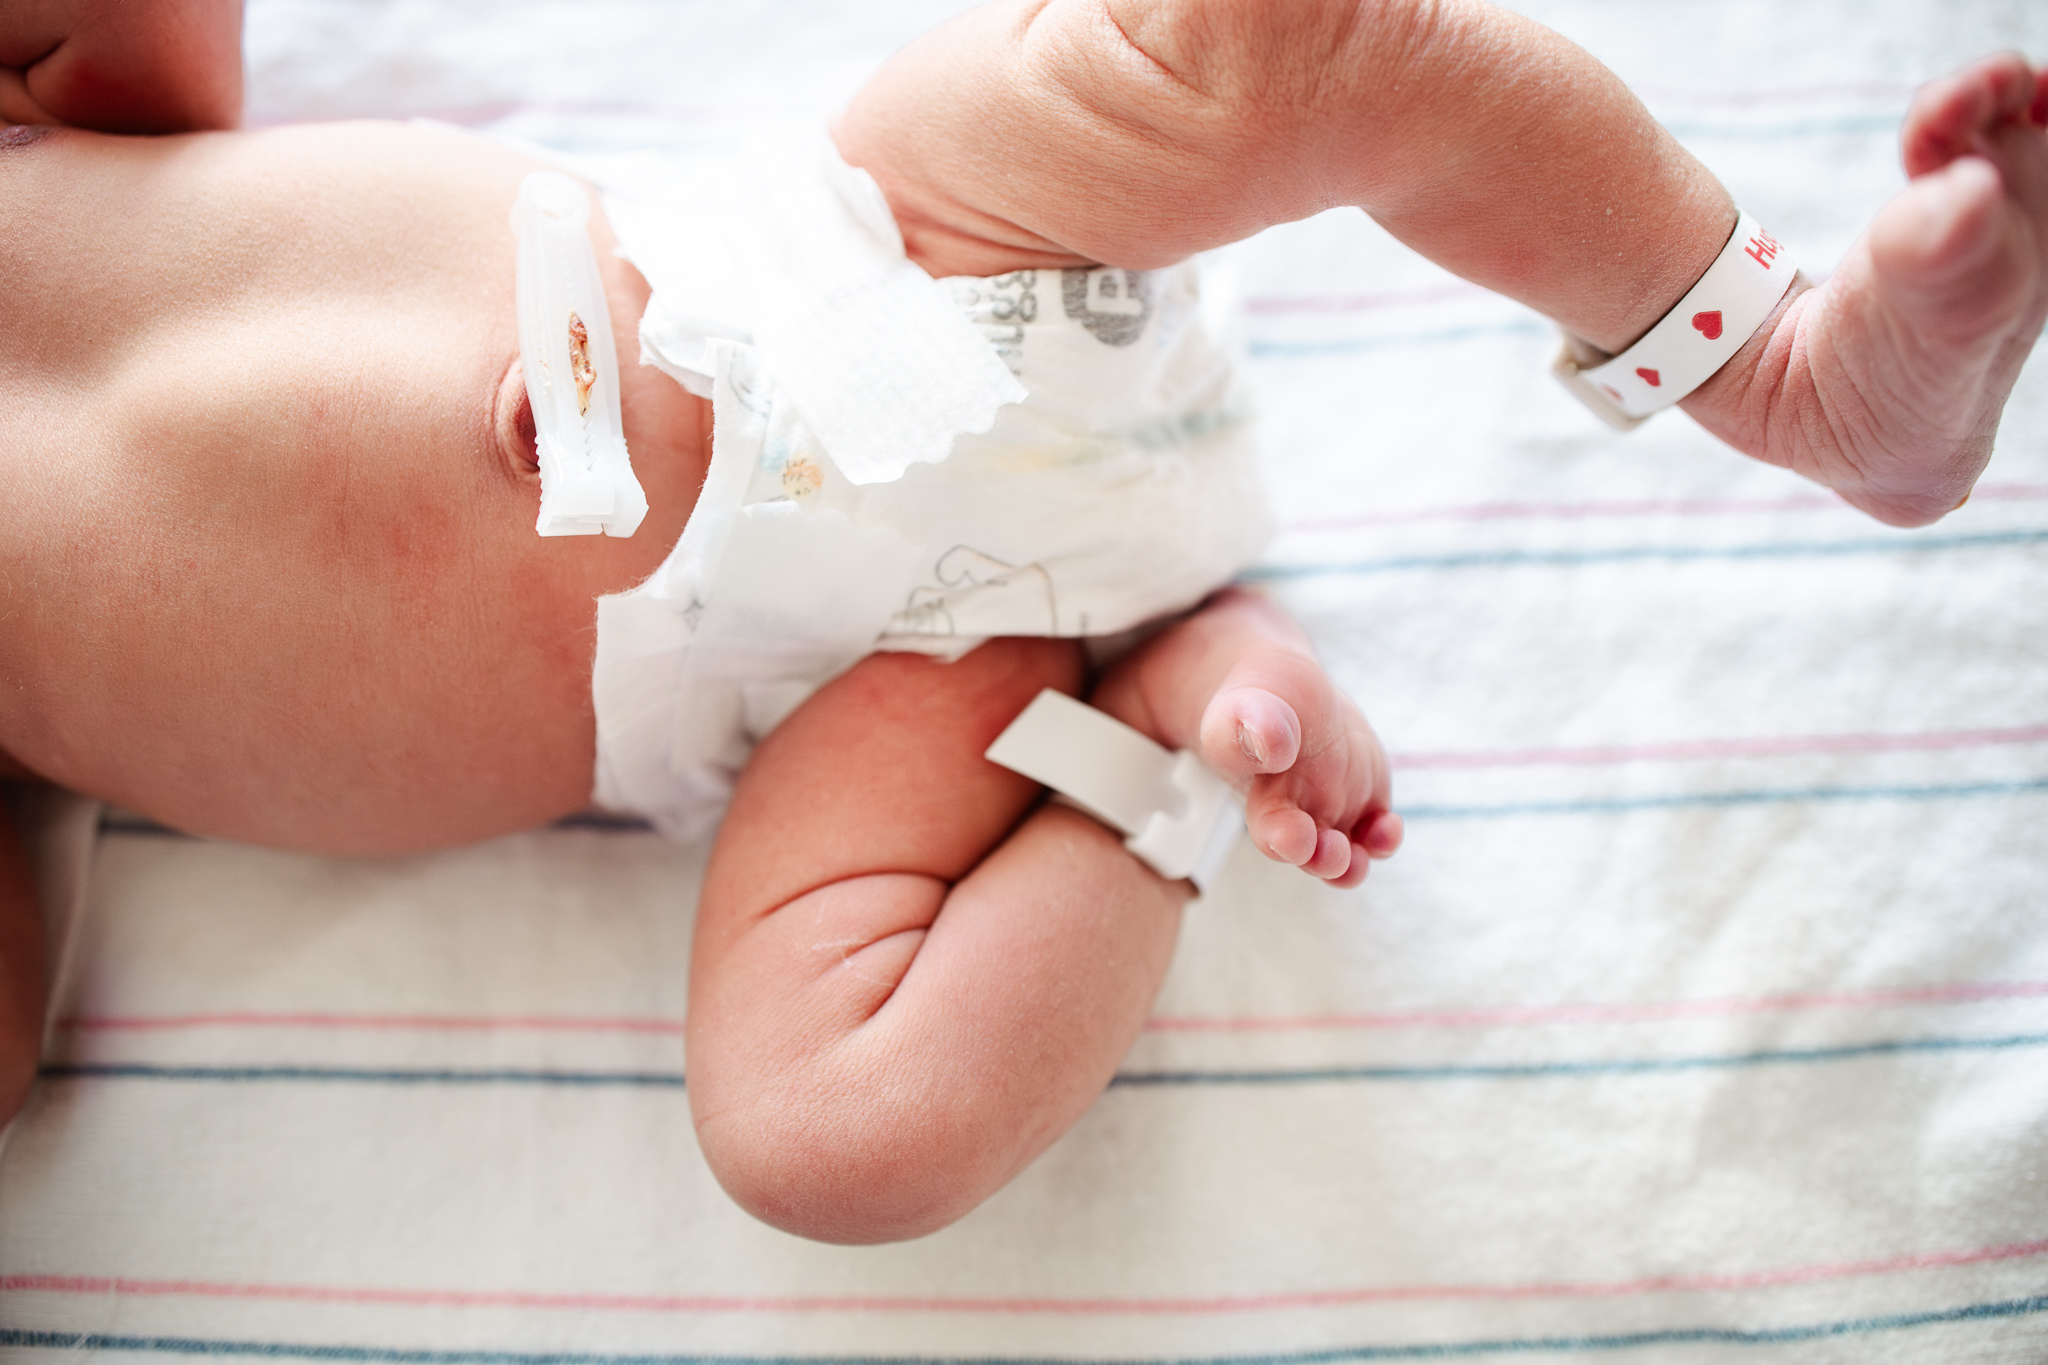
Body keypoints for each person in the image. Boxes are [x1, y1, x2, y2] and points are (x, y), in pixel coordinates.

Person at [0, 0, 2040, 1244]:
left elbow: (154, 57)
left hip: (854, 262)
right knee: (831, 1137)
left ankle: (1785, 368)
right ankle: (1155, 730)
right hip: (852, 686)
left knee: (1280, 41)